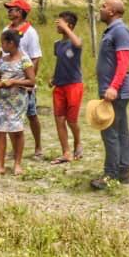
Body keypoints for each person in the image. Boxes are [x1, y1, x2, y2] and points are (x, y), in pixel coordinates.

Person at [91, 0, 129, 189]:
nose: (100, 9)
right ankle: (123, 171)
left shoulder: (120, 31)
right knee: (121, 132)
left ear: (112, 12)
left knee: (110, 132)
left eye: (103, 6)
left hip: (115, 92)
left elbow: (124, 62)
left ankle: (111, 174)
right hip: (114, 91)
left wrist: (113, 87)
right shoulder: (112, 31)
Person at [2, 0, 44, 158]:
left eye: (11, 9)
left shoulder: (30, 32)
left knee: (31, 114)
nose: (9, 11)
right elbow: (3, 52)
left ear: (20, 12)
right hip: (9, 79)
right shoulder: (7, 29)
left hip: (24, 81)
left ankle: (38, 147)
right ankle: (15, 148)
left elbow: (35, 57)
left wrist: (30, 83)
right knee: (12, 115)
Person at [0, 29, 36, 175]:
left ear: (11, 43)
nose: (1, 46)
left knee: (17, 131)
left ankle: (17, 163)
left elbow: (31, 81)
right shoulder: (3, 60)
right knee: (1, 131)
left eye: (3, 43)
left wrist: (13, 81)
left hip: (18, 101)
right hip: (3, 100)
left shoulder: (25, 60)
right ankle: (0, 164)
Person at [49, 11, 84, 165]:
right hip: (60, 86)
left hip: (74, 85)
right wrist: (53, 78)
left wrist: (67, 29)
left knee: (72, 121)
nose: (57, 25)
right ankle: (66, 152)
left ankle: (78, 142)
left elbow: (78, 44)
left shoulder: (75, 42)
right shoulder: (57, 44)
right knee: (59, 119)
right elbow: (60, 63)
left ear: (69, 25)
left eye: (60, 23)